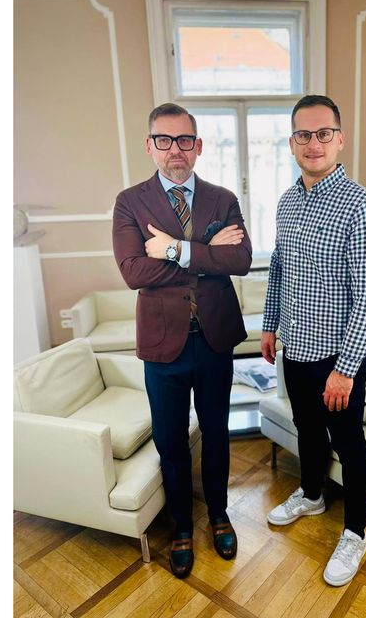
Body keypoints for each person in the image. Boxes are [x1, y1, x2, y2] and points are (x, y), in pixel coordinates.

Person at [113, 102, 252, 578]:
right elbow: (134, 272)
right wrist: (206, 253)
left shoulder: (222, 198)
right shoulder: (130, 202)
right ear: (150, 146)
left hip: (215, 340)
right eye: (165, 140)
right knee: (171, 440)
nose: (176, 149)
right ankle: (180, 527)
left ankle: (219, 514)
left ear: (199, 146)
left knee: (217, 433)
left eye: (185, 140)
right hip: (162, 343)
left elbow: (240, 260)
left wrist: (173, 249)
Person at [261, 94, 366, 587]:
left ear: (340, 139)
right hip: (295, 347)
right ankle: (312, 496)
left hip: (339, 357)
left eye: (322, 133)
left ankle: (355, 533)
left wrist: (346, 369)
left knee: (349, 444)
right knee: (308, 431)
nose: (312, 143)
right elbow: (279, 269)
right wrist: (271, 324)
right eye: (303, 134)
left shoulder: (365, 207)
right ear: (292, 142)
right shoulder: (287, 201)